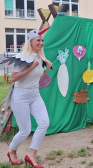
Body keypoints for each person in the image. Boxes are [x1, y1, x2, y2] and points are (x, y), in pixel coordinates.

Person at [7, 30, 52, 167]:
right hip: (20, 95)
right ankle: (12, 151)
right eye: (38, 40)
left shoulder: (39, 58)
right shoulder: (21, 57)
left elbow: (37, 80)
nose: (41, 43)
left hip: (35, 94)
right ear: (31, 42)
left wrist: (47, 68)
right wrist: (32, 66)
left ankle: (31, 154)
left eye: (42, 40)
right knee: (25, 130)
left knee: (44, 123)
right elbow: (13, 78)